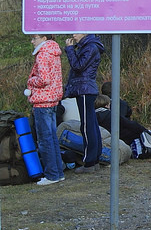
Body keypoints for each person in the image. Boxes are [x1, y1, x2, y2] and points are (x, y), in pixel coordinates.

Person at [26, 34, 65, 186]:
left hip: (42, 101)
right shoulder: (54, 52)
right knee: (52, 138)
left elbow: (44, 79)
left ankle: (52, 175)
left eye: (34, 38)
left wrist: (31, 80)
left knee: (44, 140)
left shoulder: (42, 54)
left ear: (43, 38)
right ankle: (58, 172)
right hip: (53, 99)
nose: (32, 41)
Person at [64, 33, 105, 173]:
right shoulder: (89, 46)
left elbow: (78, 66)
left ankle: (89, 162)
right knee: (91, 124)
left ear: (85, 33)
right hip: (86, 88)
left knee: (87, 126)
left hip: (84, 89)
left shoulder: (90, 47)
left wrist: (70, 49)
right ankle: (95, 160)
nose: (74, 35)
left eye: (77, 32)